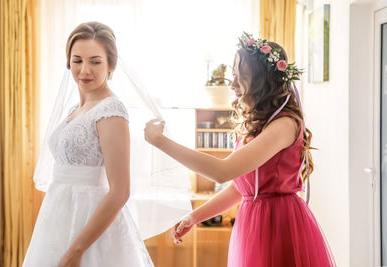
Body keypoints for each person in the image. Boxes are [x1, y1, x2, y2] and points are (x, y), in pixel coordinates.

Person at [144, 33, 336, 267]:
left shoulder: (284, 124)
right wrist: (196, 216)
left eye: (240, 76)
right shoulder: (261, 123)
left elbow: (223, 171)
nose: (232, 84)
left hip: (279, 224)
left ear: (261, 80)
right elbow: (241, 186)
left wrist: (161, 142)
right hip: (253, 224)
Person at [23, 22, 153, 267]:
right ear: (68, 62)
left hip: (90, 223)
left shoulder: (111, 111)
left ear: (111, 64)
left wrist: (76, 251)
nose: (84, 70)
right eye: (77, 60)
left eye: (95, 61)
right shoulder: (75, 109)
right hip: (59, 217)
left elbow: (120, 191)